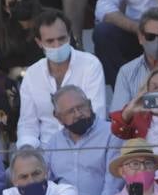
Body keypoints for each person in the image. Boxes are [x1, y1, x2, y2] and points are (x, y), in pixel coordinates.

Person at [17, 10, 107, 149]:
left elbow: (96, 116)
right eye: (50, 41)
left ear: (69, 36)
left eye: (61, 38)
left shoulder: (90, 64)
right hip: (46, 152)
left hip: (87, 146)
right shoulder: (32, 74)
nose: (57, 45)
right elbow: (28, 125)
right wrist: (27, 150)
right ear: (39, 42)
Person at [42, 84, 121, 195]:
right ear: (58, 117)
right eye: (70, 111)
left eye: (81, 107)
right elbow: (46, 180)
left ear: (89, 105)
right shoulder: (54, 142)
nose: (78, 114)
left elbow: (112, 183)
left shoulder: (111, 133)